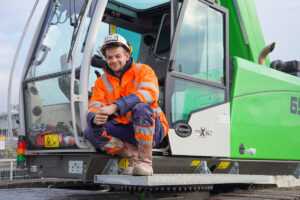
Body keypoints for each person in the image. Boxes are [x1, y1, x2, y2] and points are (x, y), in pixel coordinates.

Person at [83, 34, 169, 176]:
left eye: (118, 56)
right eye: (110, 57)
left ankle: (145, 163)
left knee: (141, 108)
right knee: (90, 132)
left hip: (153, 128)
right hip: (126, 129)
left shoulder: (143, 70)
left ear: (127, 55)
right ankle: (132, 155)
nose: (113, 60)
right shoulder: (101, 82)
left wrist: (115, 106)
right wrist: (94, 118)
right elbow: (93, 106)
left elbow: (150, 93)